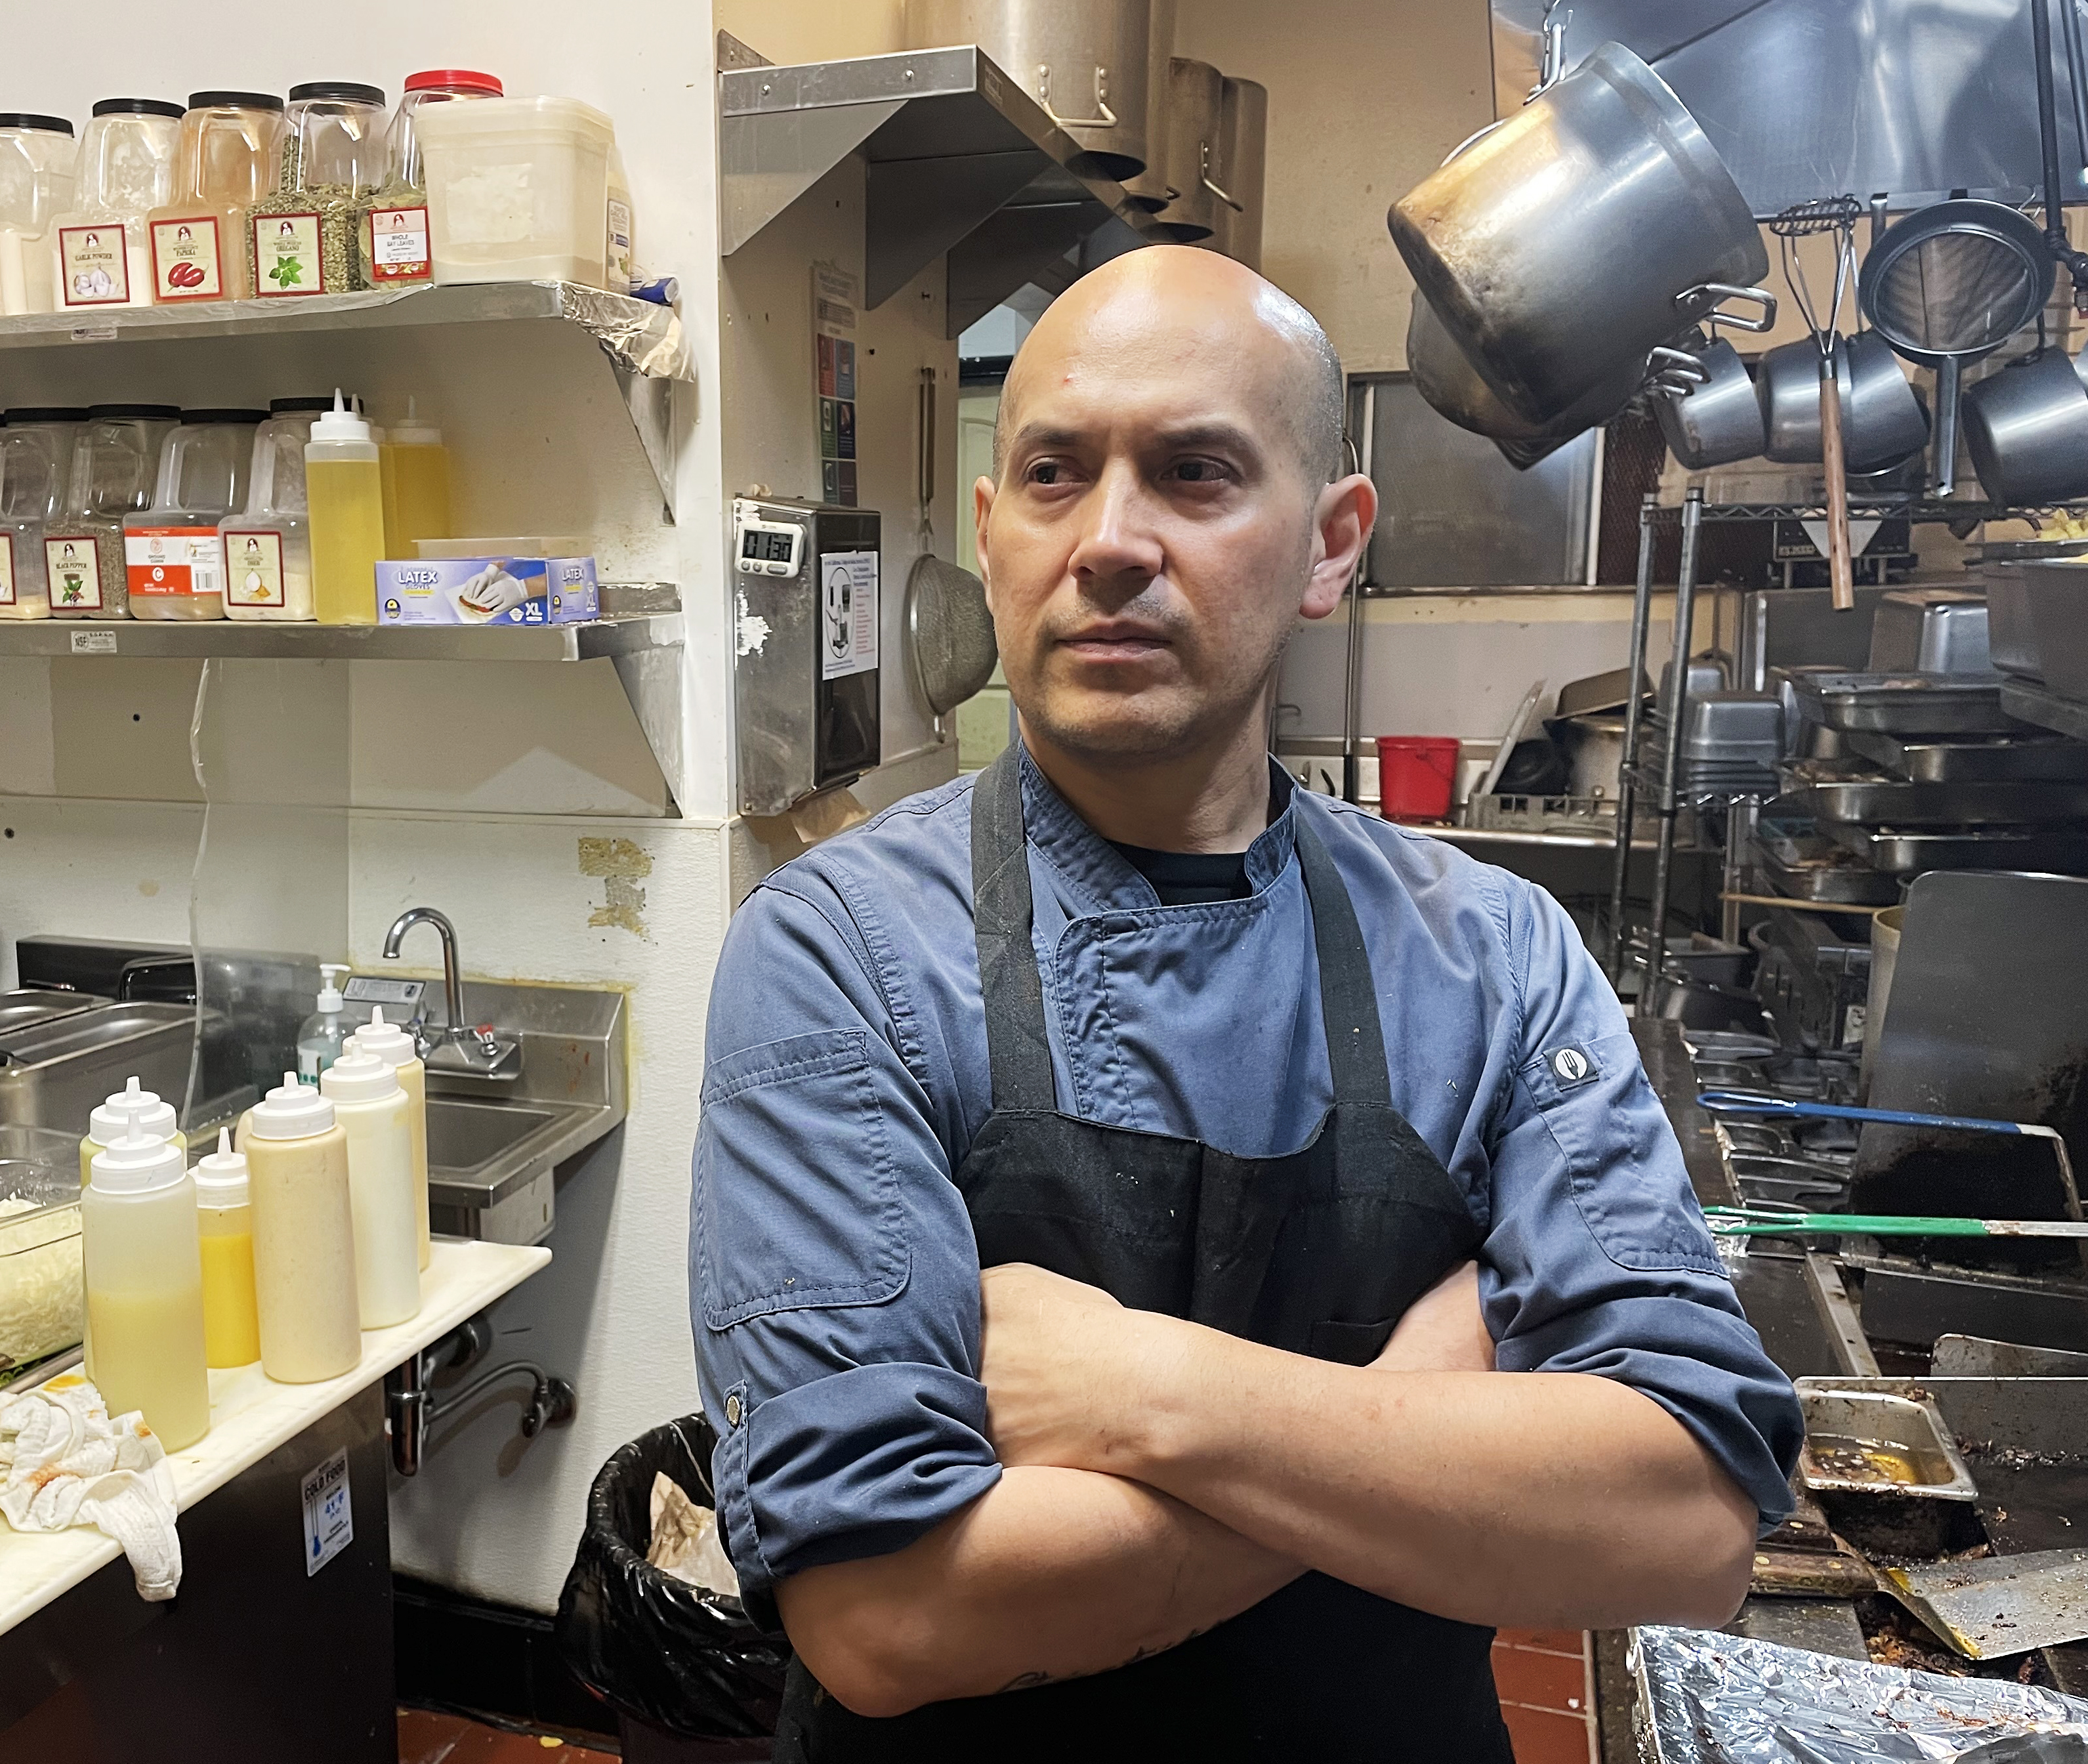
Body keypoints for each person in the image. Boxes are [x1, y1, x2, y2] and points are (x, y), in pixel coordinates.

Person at [690, 246, 1801, 1761]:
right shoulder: (839, 950)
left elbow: (1679, 1526)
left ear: (1333, 544)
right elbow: (888, 1616)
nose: (1109, 541)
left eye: (1195, 473)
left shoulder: (1492, 956)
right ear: (990, 531)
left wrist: (1153, 1395)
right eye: (1054, 476)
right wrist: (1417, 1404)